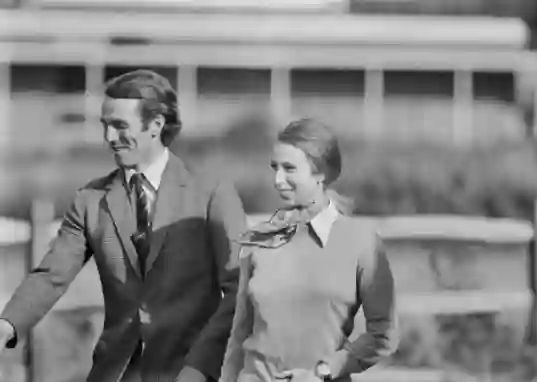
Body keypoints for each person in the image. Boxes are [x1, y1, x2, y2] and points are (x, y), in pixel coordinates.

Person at [0, 70, 247, 382]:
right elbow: (52, 276)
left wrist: (200, 367)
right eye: (106, 125)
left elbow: (240, 289)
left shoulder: (212, 193)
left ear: (155, 125)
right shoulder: (90, 200)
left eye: (120, 126)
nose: (109, 138)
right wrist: (7, 324)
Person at [219, 118, 398, 382]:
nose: (278, 180)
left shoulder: (362, 243)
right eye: (274, 168)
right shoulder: (260, 239)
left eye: (289, 169)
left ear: (321, 172)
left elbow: (383, 335)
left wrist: (324, 371)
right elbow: (240, 333)